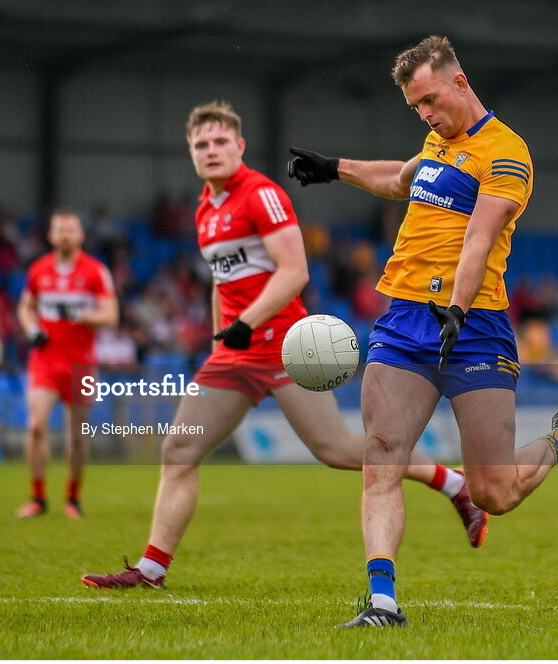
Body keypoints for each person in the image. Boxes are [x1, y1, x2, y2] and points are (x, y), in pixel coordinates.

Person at [80, 101, 491, 592]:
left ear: (240, 147)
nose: (211, 151)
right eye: (201, 144)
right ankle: (151, 570)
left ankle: (454, 484)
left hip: (283, 345)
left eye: (219, 142)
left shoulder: (260, 195)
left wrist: (247, 322)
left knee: (336, 449)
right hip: (234, 352)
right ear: (191, 153)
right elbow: (221, 280)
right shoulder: (206, 209)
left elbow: (294, 271)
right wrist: (221, 337)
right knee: (179, 448)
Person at [287, 35, 558, 628]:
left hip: (476, 325)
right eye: (416, 107)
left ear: (460, 82)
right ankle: (382, 604)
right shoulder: (437, 141)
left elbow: (479, 239)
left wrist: (458, 309)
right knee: (381, 457)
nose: (426, 115)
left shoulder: (507, 153)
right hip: (405, 319)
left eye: (431, 101)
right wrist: (335, 168)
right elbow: (400, 179)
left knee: (494, 493)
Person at [16, 210, 119, 518]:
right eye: (59, 229)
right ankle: (38, 498)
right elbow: (25, 307)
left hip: (81, 364)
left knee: (76, 435)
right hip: (45, 362)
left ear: (80, 236)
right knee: (36, 426)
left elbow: (110, 316)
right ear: (50, 235)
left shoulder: (95, 271)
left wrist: (78, 315)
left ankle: (73, 499)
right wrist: (32, 330)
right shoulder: (38, 270)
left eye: (70, 230)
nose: (64, 235)